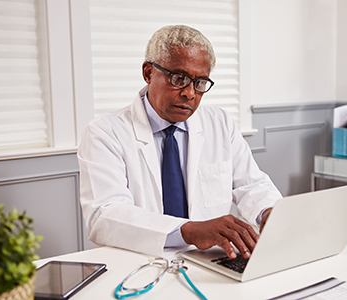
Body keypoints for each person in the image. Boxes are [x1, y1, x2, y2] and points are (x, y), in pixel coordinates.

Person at [78, 25, 282, 259]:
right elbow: (104, 215)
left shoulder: (220, 123)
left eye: (200, 82)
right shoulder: (104, 132)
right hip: (140, 263)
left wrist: (269, 211)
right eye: (179, 78)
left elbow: (252, 185)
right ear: (148, 73)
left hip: (209, 261)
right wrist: (190, 231)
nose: (190, 93)